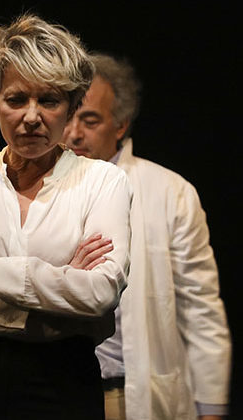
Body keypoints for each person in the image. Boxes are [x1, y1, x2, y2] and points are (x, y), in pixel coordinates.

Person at [0, 14, 132, 420]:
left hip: (62, 382)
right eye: (16, 100)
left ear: (71, 106)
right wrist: (57, 287)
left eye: (48, 100)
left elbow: (99, 293)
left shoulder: (102, 181)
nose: (32, 116)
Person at [63, 53, 232, 420]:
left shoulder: (170, 192)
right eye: (69, 117)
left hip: (127, 396)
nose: (74, 133)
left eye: (90, 120)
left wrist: (211, 408)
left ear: (120, 125)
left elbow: (200, 308)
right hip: (57, 393)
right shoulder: (38, 187)